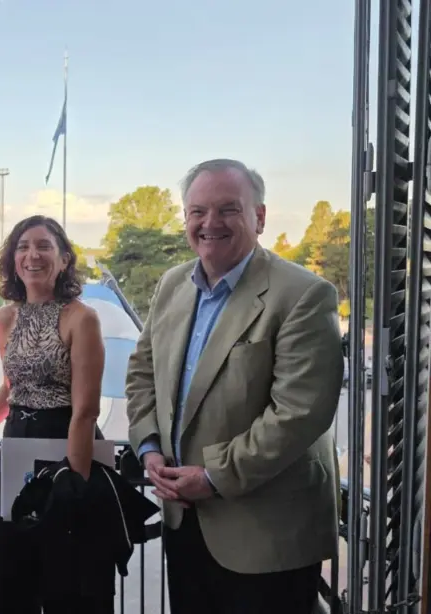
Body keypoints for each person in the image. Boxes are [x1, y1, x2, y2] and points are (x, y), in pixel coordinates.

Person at [126, 158, 342, 614]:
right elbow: (143, 372)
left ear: (259, 217)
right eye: (197, 211)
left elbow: (299, 414)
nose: (210, 223)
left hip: (268, 537)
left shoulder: (303, 294)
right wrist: (148, 447)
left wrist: (212, 477)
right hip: (186, 522)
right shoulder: (172, 286)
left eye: (228, 209)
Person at [0, 215, 110, 612]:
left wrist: (75, 485)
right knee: (13, 576)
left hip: (69, 445)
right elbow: (12, 387)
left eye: (44, 246)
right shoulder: (5, 318)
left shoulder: (81, 318)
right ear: (13, 260)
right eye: (23, 247)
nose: (33, 255)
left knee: (70, 580)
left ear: (64, 259)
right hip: (18, 449)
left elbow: (85, 411)